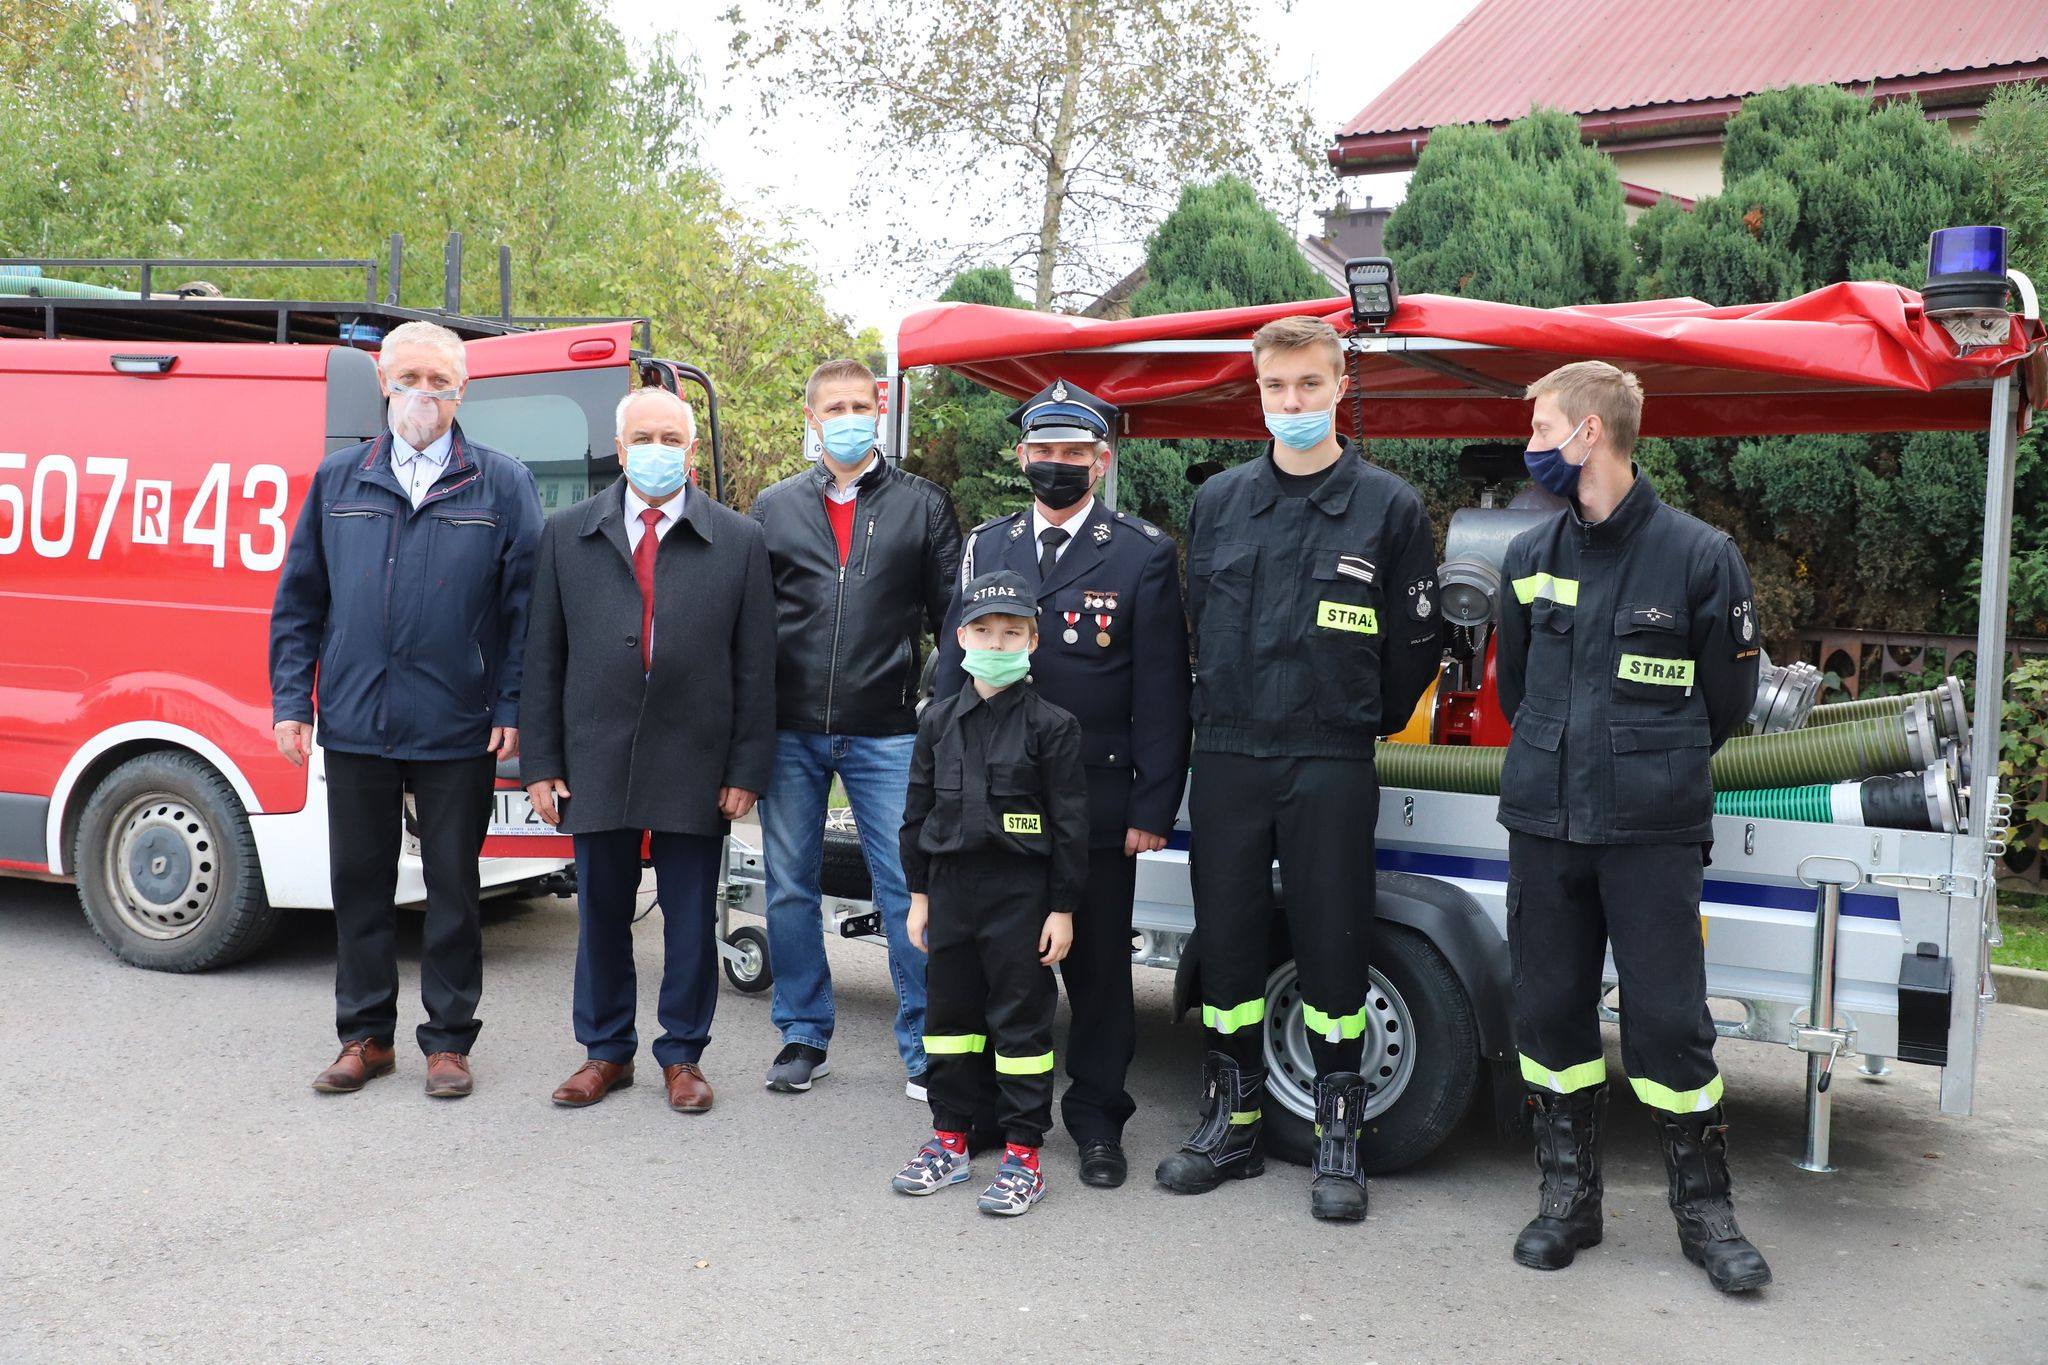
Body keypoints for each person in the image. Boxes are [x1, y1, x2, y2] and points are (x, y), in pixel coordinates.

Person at [1155, 314, 1442, 1222]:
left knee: (1332, 950)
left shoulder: (1388, 507)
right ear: (1259, 390)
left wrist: (1354, 719)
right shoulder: (1220, 502)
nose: (1293, 403)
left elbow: (1415, 646)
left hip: (1329, 757)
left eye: (1310, 386)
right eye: (1277, 388)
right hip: (1232, 753)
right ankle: (1231, 1124)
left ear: (1339, 384)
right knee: (1230, 946)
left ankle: (1338, 1135)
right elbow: (1194, 620)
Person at [1494, 360, 1771, 1293]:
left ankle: (1704, 1209)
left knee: (1665, 1023)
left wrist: (1639, 764)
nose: (1530, 444)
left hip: (1650, 832)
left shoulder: (1699, 557)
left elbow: (1724, 703)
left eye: (1541, 427)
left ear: (1590, 434)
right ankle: (1569, 1199)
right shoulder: (1529, 559)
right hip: (1546, 823)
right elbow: (1516, 687)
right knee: (1546, 1009)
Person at [270, 319, 543, 1100]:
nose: (424, 393)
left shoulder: (500, 482)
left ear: (465, 390)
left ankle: (448, 1042)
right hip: (356, 719)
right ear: (383, 382)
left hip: (458, 721)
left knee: (455, 888)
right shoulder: (338, 479)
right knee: (359, 884)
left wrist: (512, 700)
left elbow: (527, 610)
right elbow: (299, 601)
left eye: (440, 380)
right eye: (410, 377)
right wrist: (295, 698)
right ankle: (364, 1037)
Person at [931, 379, 1189, 1189]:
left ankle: (1099, 1120)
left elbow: (1162, 692)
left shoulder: (1143, 550)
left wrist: (1152, 805)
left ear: (1101, 460)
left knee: (1100, 973)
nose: (1057, 465)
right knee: (987, 969)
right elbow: (951, 676)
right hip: (990, 806)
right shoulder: (985, 546)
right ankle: (976, 1116)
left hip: (1096, 804)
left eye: (1074, 453)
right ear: (1022, 457)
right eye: (1044, 452)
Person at [518, 386, 776, 1114]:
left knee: (691, 916)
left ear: (691, 452)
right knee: (599, 909)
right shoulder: (567, 533)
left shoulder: (740, 540)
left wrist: (745, 767)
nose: (658, 449)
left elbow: (756, 666)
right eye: (645, 437)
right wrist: (542, 761)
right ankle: (605, 1051)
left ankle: (683, 1054)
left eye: (673, 437)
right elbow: (542, 657)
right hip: (595, 753)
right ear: (620, 447)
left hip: (697, 758)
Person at [750, 358, 962, 1098]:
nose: (847, 415)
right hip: (789, 731)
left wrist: (941, 712)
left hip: (888, 731)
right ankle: (804, 1032)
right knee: (789, 885)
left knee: (908, 886)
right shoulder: (772, 506)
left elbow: (955, 619)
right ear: (810, 418)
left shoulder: (924, 505)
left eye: (859, 403)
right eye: (831, 405)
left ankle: (927, 1040)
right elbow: (750, 625)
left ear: (880, 410)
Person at [892, 571, 1088, 1216]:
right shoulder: (939, 722)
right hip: (949, 893)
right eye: (984, 631)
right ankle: (950, 1139)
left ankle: (1023, 1154)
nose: (996, 644)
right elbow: (915, 816)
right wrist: (918, 897)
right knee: (949, 1024)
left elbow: (1069, 825)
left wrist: (1061, 908)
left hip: (1021, 897)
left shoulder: (1052, 727)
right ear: (959, 638)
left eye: (1012, 633)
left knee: (1020, 1021)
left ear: (1033, 642)